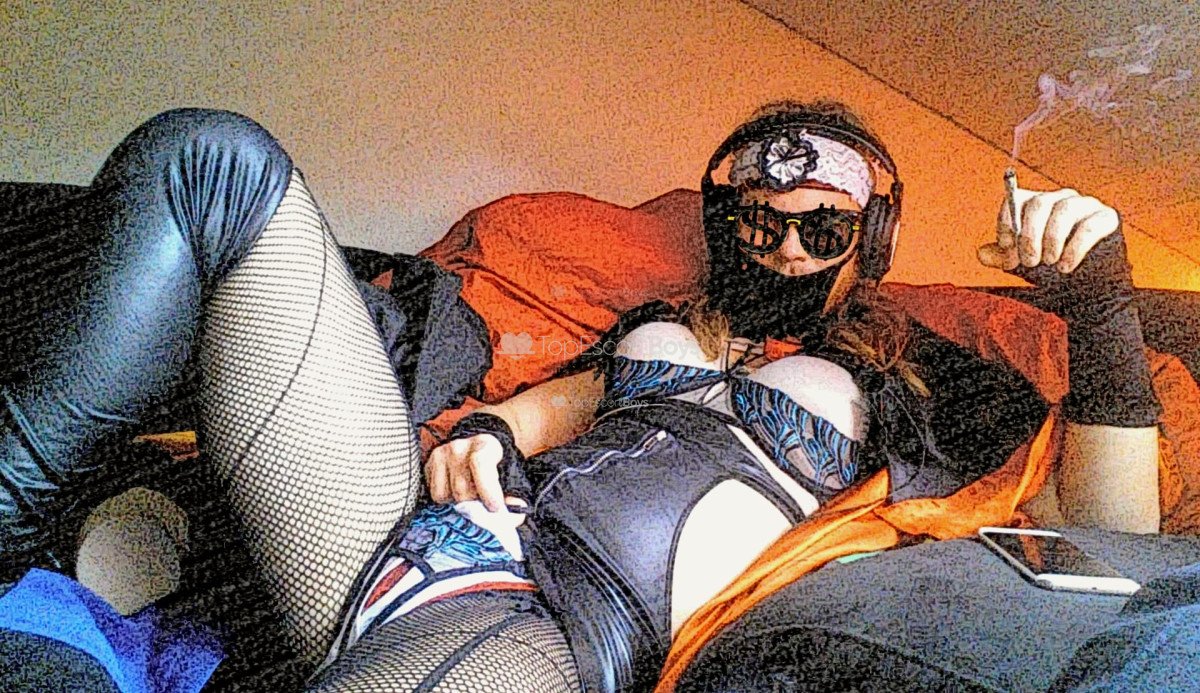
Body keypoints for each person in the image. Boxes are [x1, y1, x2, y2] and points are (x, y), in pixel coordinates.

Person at [0, 101, 1161, 693]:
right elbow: (549, 408)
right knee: (216, 162)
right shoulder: (655, 325)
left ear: (871, 243)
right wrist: (486, 431)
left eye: (823, 228)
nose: (786, 246)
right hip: (393, 533)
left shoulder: (918, 374)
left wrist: (1102, 306)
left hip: (548, 628)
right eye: (761, 219)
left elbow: (1122, 542)